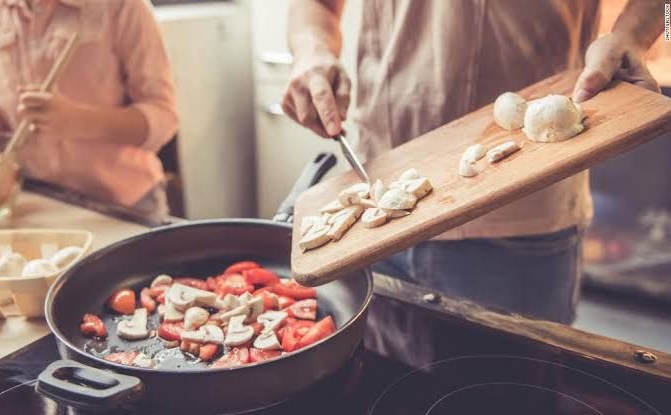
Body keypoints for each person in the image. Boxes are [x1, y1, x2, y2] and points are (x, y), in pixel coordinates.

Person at [283, 0, 664, 324]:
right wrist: (310, 50)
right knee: (386, 388)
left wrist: (639, 36)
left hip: (523, 220)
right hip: (377, 198)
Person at [0, 0, 179, 217]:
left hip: (125, 202)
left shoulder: (121, 6)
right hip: (42, 201)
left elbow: (163, 116)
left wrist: (76, 120)